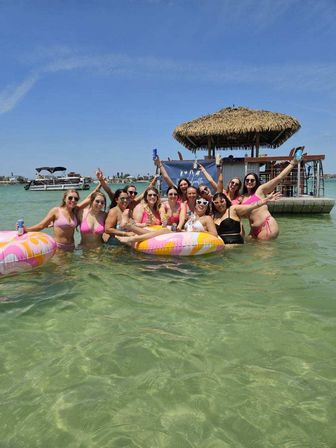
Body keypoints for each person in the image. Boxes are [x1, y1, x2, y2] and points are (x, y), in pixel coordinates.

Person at [241, 149, 303, 240]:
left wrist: (293, 163)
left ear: (256, 182)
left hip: (266, 226)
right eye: (247, 180)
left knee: (263, 253)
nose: (249, 182)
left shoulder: (260, 190)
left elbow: (279, 178)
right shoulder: (242, 197)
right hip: (253, 230)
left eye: (252, 180)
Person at [22, 189, 92, 251]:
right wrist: (27, 229)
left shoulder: (75, 211)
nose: (73, 200)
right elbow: (42, 225)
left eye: (76, 199)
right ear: (65, 199)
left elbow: (90, 198)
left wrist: (100, 182)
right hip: (58, 248)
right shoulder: (56, 211)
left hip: (71, 247)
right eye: (70, 198)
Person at [212, 191, 281, 244]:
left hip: (236, 248)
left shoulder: (233, 209)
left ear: (226, 201)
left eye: (222, 201)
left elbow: (251, 206)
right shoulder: (213, 216)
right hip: (221, 248)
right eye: (216, 203)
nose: (220, 204)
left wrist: (264, 200)